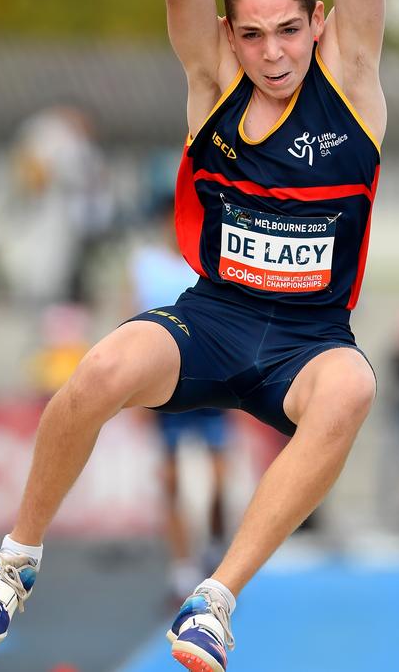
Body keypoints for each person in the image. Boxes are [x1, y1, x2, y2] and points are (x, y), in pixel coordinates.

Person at [0, 0, 386, 670]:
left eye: (290, 30)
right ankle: (12, 565)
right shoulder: (212, 81)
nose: (272, 54)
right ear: (231, 35)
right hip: (213, 318)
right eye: (252, 34)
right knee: (99, 371)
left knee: (351, 393)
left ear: (320, 21)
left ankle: (215, 599)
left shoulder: (356, 85)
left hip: (307, 341)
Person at [128, 196, 230, 606]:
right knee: (171, 481)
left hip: (212, 381)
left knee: (218, 479)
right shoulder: (145, 264)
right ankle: (182, 568)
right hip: (165, 386)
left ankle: (215, 546)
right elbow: (132, 321)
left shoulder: (209, 257)